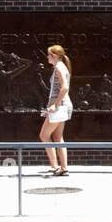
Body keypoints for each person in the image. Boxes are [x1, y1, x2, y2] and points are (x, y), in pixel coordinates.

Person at [40, 44, 73, 176]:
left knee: (44, 135)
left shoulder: (59, 68)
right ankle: (63, 168)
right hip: (63, 105)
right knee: (58, 137)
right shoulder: (61, 67)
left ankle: (55, 166)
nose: (47, 57)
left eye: (48, 54)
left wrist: (54, 105)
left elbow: (64, 88)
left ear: (54, 56)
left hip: (60, 106)